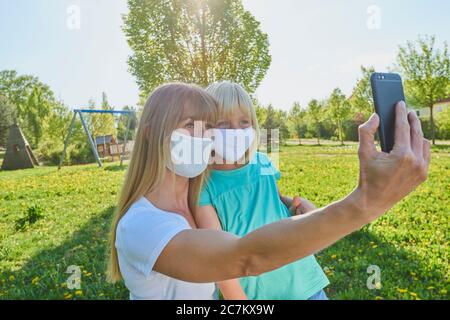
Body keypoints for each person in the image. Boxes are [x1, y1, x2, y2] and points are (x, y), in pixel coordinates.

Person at [107, 82, 430, 300]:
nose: (205, 136)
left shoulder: (193, 194)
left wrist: (292, 203)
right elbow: (245, 258)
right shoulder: (142, 225)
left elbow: (255, 194)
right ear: (151, 134)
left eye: (207, 126)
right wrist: (368, 201)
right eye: (191, 125)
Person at [195, 81, 329, 300]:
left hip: (304, 282)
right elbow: (218, 259)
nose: (236, 131)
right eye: (224, 124)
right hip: (258, 295)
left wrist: (296, 206)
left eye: (244, 122)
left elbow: (273, 198)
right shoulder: (203, 184)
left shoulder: (263, 162)